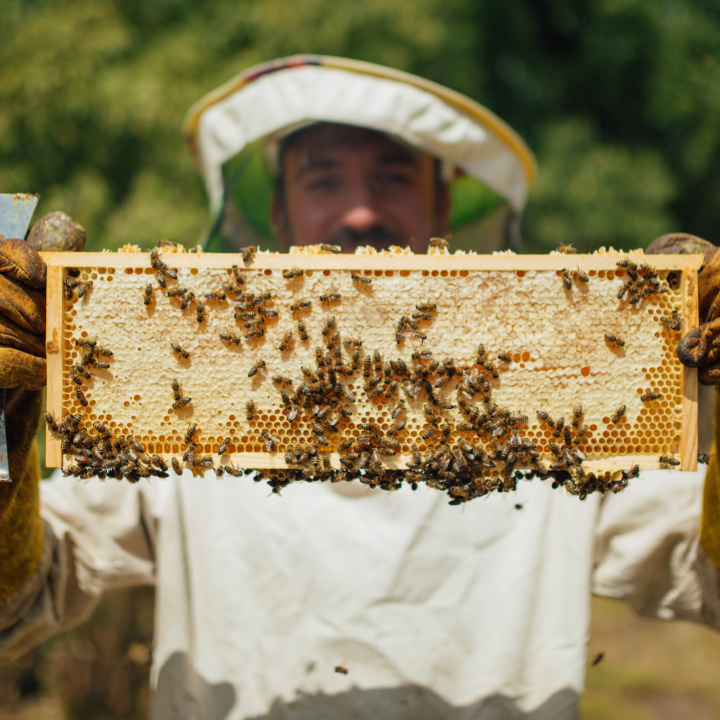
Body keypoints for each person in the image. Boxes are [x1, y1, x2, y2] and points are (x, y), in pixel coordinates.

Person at [1, 55, 720, 720]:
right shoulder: (182, 399)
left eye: (391, 176)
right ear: (280, 215)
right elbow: (17, 602)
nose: (359, 211)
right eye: (323, 179)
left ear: (443, 212)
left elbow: (708, 573)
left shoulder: (560, 404)